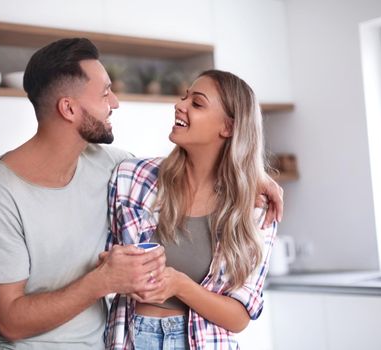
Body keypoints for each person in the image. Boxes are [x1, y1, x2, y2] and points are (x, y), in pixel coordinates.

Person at [0, 38, 283, 349]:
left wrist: (252, 178)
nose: (115, 102)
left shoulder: (110, 167)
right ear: (68, 108)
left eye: (196, 102)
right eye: (105, 93)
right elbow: (9, 321)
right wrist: (105, 279)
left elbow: (191, 171)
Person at [104, 69, 277, 350]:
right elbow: (104, 264)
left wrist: (180, 285)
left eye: (197, 103)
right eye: (184, 97)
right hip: (132, 339)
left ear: (228, 127)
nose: (179, 105)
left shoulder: (255, 208)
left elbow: (239, 317)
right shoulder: (132, 178)